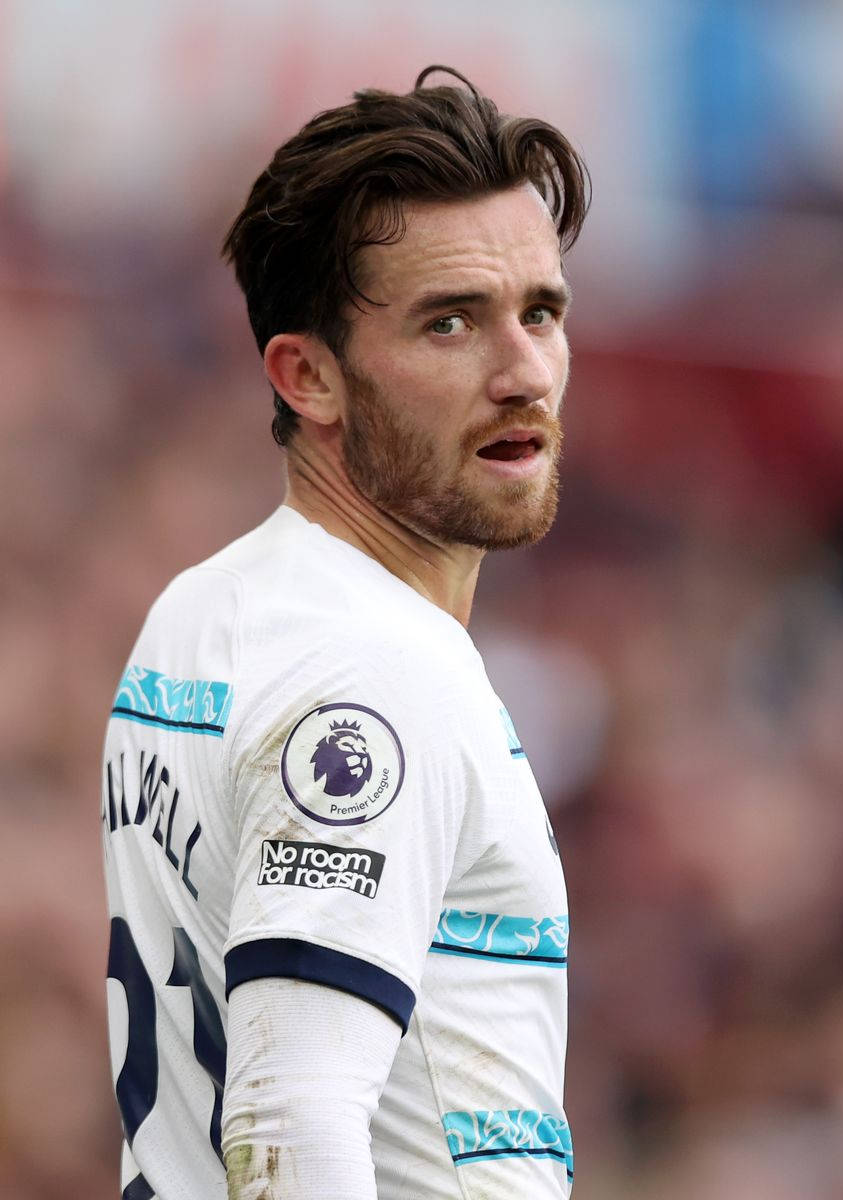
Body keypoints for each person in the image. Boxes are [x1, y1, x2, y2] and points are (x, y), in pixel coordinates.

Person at [100, 65, 588, 1200]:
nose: (524, 373)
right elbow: (289, 1125)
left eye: (541, 313)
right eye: (450, 323)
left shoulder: (199, 613)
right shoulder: (380, 671)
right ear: (307, 376)